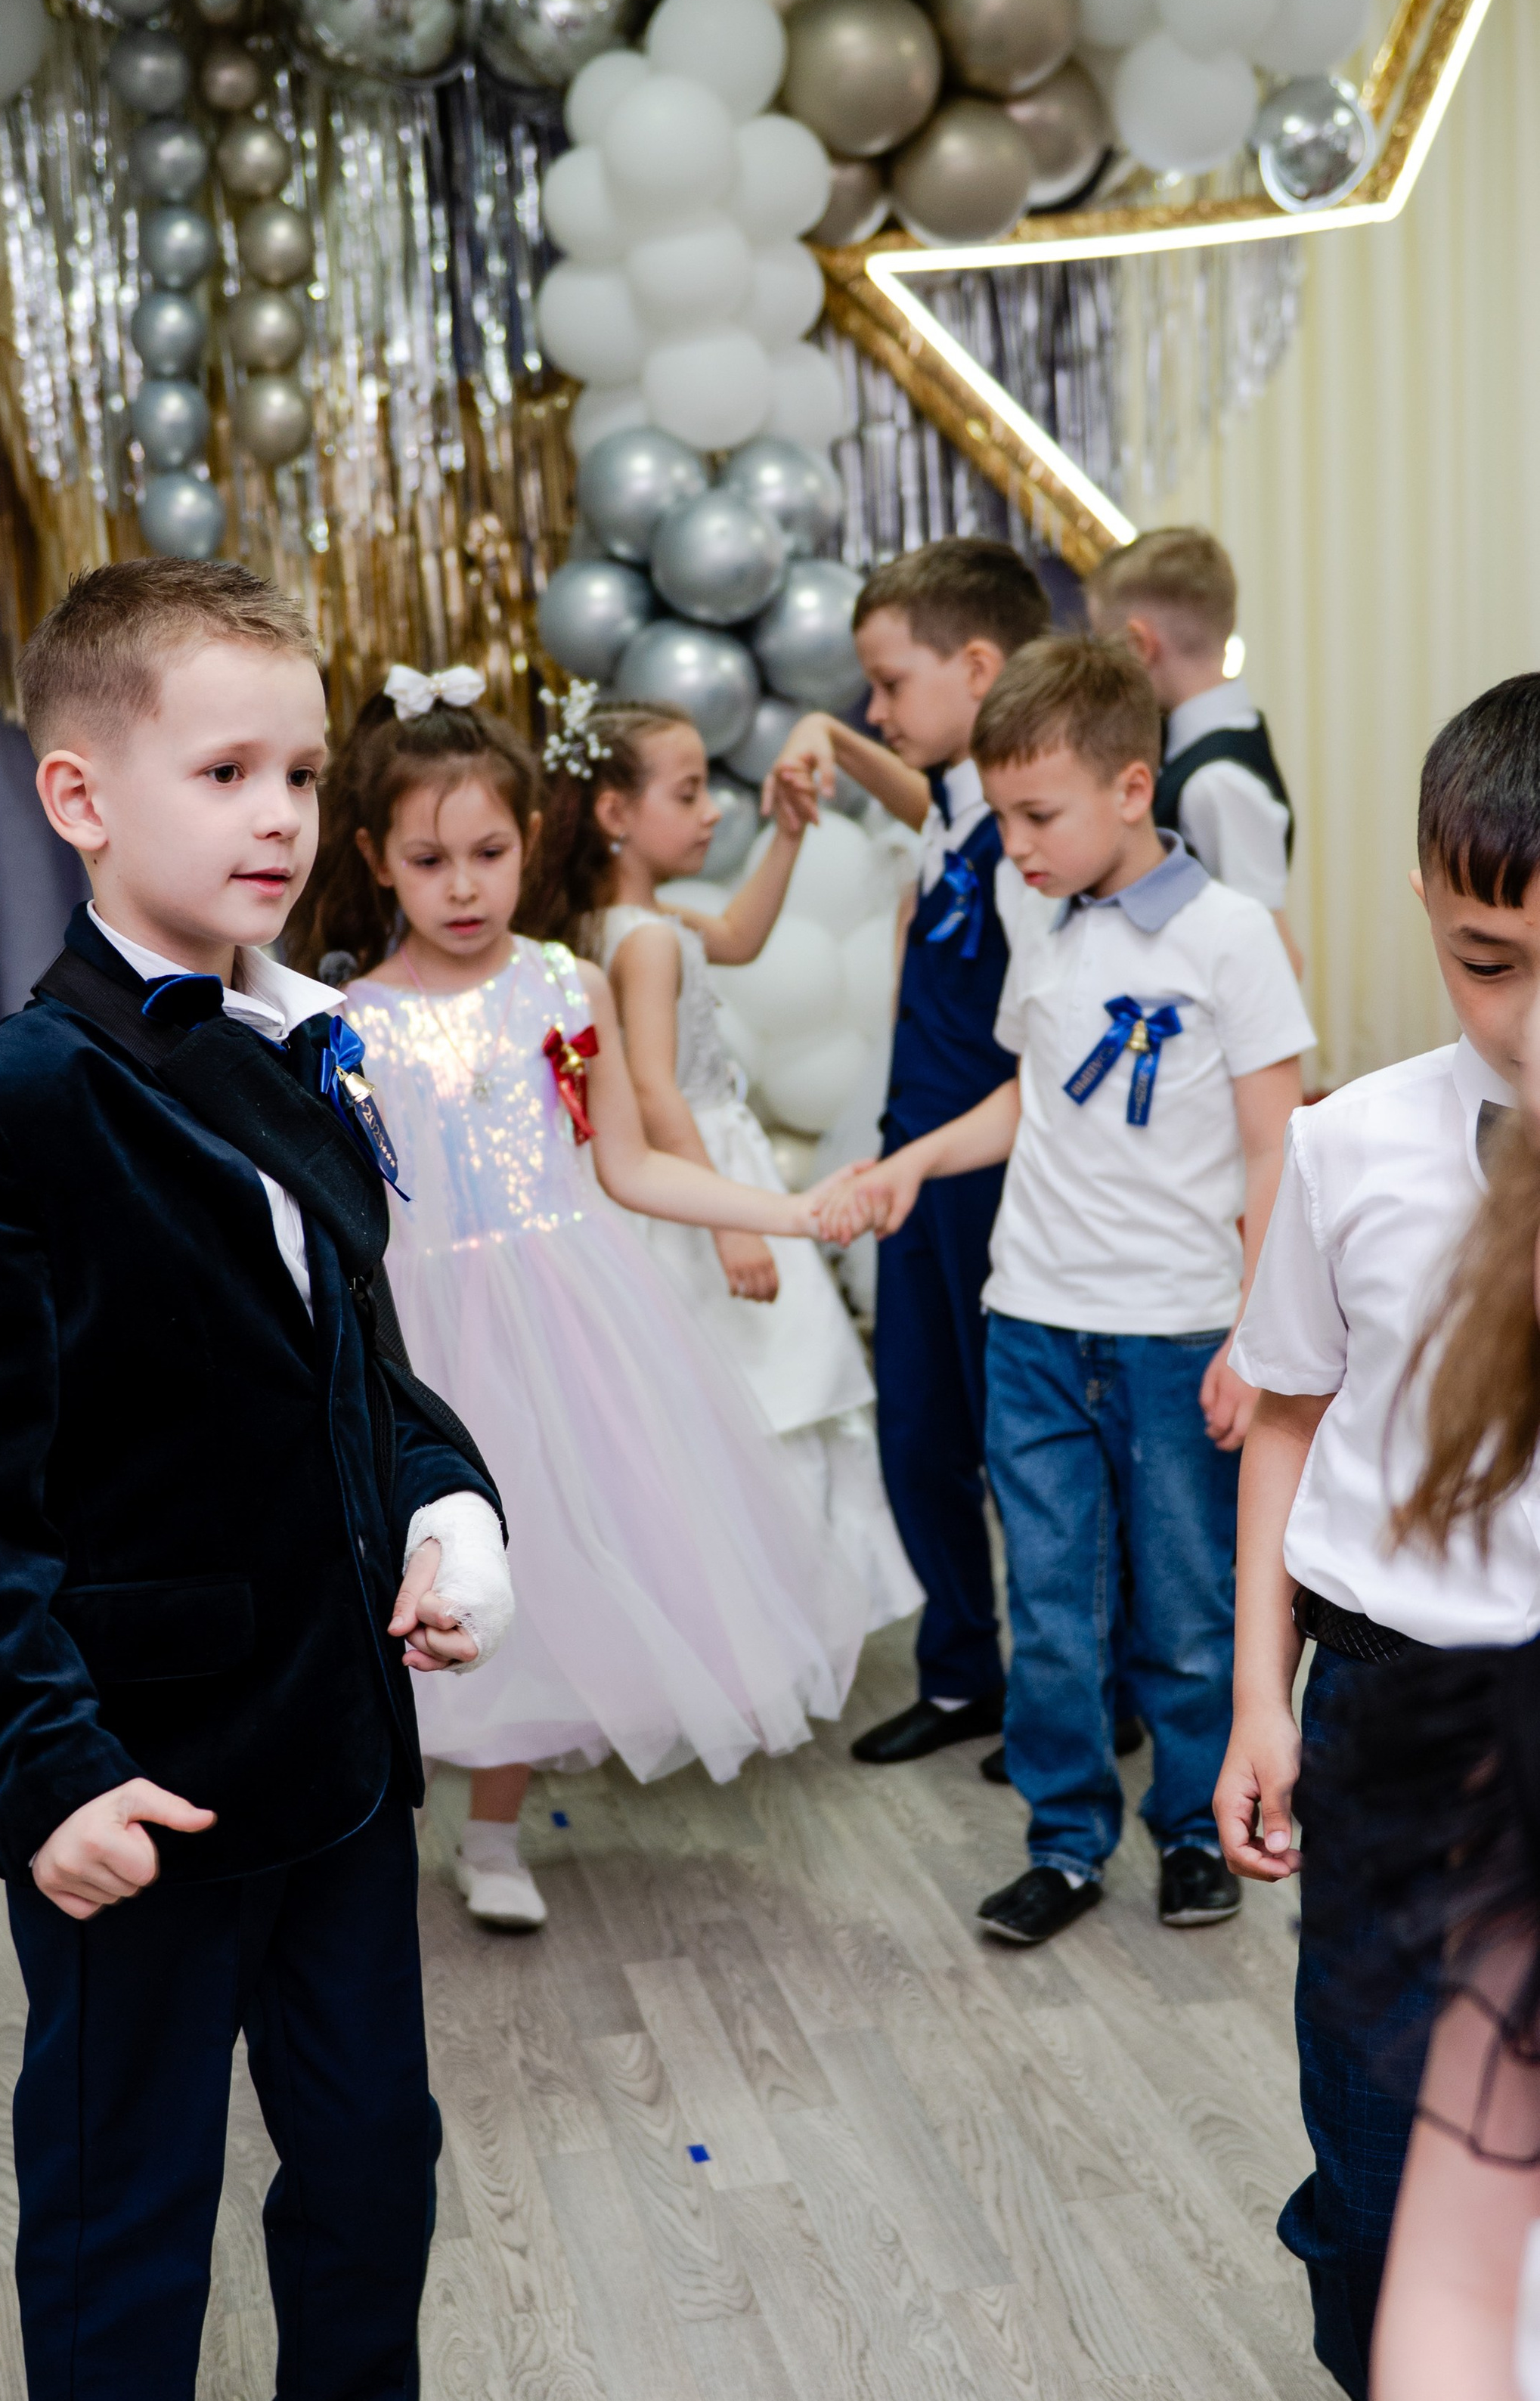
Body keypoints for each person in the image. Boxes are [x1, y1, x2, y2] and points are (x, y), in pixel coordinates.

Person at [0, 565, 522, 2401]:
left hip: (336, 1752)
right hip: (131, 1780)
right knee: (123, 2203)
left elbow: (367, 1375)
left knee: (369, 2150)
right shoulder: (0, 1110)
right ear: (79, 788)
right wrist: (43, 1762)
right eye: (224, 767)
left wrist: (444, 1498)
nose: (281, 813)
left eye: (303, 771)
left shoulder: (300, 1058)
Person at [288, 667, 867, 1934]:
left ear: (530, 840)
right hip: (426, 1336)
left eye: (487, 852)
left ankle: (493, 1833)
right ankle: (369, 1842)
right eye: (429, 858)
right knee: (407, 1582)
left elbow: (633, 1160)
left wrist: (784, 1211)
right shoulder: (348, 1023)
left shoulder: (568, 982)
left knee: (544, 1567)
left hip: (573, 1315)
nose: (462, 884)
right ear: (378, 860)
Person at [815, 632, 1313, 1945]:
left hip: (1178, 1326)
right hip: (1032, 1316)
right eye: (1008, 811)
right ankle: (1067, 1838)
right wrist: (915, 1159)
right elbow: (1033, 1095)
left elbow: (1278, 1145)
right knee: (1050, 1601)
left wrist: (1258, 1334)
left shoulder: (1232, 937)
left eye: (1040, 813)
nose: (1016, 842)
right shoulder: (1043, 916)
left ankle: (1198, 1828)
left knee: (1193, 1605)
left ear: (1132, 788)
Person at [1216, 674, 1540, 2401]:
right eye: (1485, 963)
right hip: (1398, 1702)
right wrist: (1261, 1695)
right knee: (1371, 2140)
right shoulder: (1352, 1148)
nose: (1526, 1024)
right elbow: (1283, 1417)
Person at [774, 538, 1054, 1770]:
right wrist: (835, 746)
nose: (874, 708)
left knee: (1024, 1444)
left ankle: (1081, 1688)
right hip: (917, 1171)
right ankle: (962, 1671)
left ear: (980, 669)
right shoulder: (956, 798)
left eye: (889, 684)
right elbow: (918, 792)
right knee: (921, 1425)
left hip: (995, 1175)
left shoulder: (1036, 850)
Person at [555, 691, 916, 1629]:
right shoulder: (641, 942)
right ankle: (782, 1614)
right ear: (614, 814)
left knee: (746, 1392)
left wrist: (788, 835)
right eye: (687, 793)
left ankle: (765, 1616)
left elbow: (746, 937)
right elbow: (653, 1089)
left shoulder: (630, 922)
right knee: (770, 1387)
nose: (713, 808)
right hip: (699, 1172)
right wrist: (726, 1221)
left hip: (695, 1164)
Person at [1086, 525, 1301, 971]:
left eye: (1107, 648)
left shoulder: (1217, 780)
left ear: (1140, 644)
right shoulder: (1212, 737)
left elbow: (1276, 958)